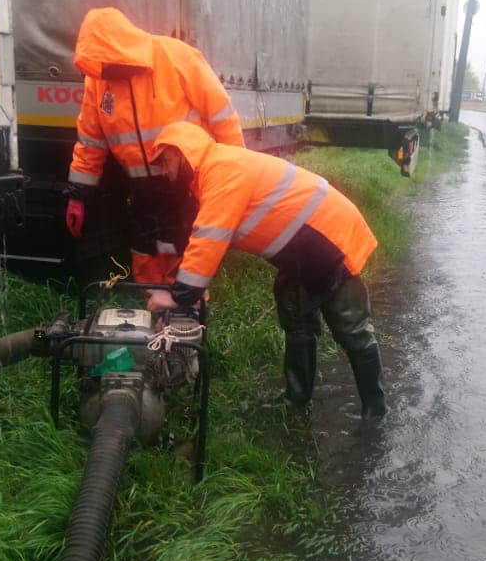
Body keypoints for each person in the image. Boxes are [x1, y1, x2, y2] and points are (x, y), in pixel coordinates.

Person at [143, 122, 388, 419]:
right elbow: (208, 239)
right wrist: (195, 282)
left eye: (167, 162)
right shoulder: (212, 172)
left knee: (352, 329)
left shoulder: (222, 170)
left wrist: (179, 296)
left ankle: (376, 410)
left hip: (329, 239)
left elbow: (209, 237)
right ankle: (297, 400)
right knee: (297, 321)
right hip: (300, 249)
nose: (166, 173)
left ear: (183, 153)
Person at [65, 7, 245, 284]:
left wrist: (235, 175)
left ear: (120, 48)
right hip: (141, 189)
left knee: (183, 249)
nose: (107, 71)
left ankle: (188, 314)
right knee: (145, 251)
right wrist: (77, 195)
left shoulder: (176, 56)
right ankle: (155, 307)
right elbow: (90, 141)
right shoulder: (98, 80)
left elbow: (222, 117)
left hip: (186, 182)